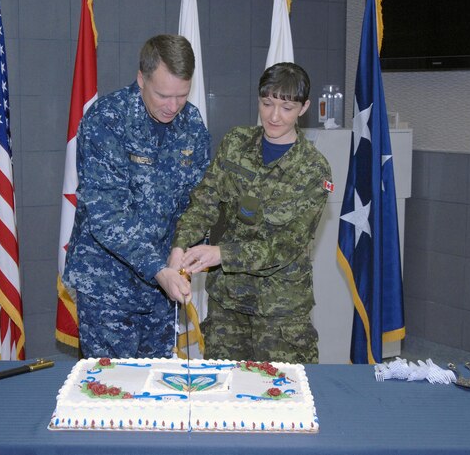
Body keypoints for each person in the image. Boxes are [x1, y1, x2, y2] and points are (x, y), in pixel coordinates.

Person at [169, 62, 333, 364]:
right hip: (228, 304)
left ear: (304, 107)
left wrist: (222, 254)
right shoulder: (236, 143)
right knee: (223, 395)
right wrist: (181, 244)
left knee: (282, 399)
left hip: (279, 312)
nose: (273, 116)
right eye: (267, 103)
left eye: (286, 107)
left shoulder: (314, 169)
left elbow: (287, 245)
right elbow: (204, 201)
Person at [63, 34, 211, 359]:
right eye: (162, 95)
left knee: (157, 390)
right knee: (112, 391)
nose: (173, 106)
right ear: (141, 78)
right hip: (107, 285)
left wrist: (181, 248)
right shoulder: (106, 120)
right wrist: (159, 268)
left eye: (182, 95)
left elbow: (200, 200)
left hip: (161, 288)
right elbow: (107, 213)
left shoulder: (193, 124)